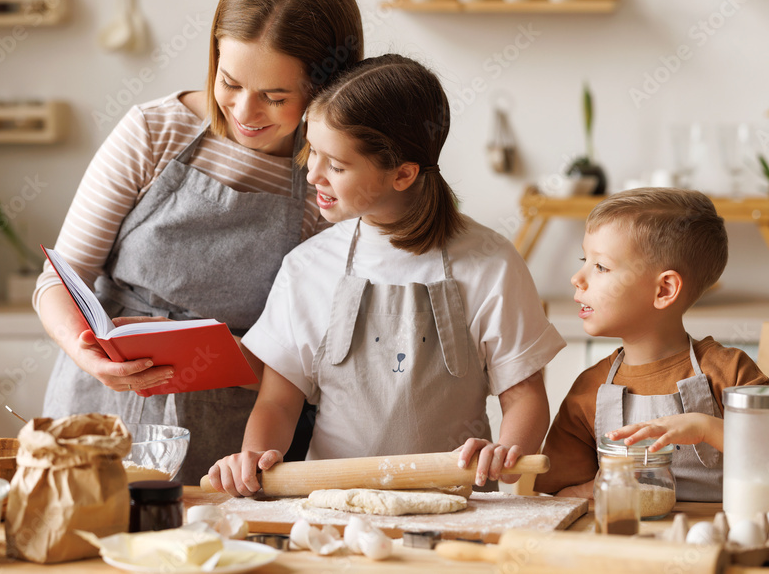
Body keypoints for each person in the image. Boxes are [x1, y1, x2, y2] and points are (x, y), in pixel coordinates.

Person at [34, 0, 364, 483]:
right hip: (102, 410)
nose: (245, 110)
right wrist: (87, 352)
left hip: (238, 443)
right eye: (229, 82)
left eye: (275, 97)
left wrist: (222, 357)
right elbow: (58, 279)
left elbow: (316, 360)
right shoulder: (154, 132)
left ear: (328, 89)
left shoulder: (326, 181)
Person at [206, 54, 566, 497]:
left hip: (457, 510)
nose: (312, 172)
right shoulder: (307, 266)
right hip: (331, 510)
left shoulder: (491, 262)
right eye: (312, 151)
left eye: (336, 165)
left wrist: (507, 454)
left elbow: (524, 397)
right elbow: (279, 402)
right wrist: (255, 461)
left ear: (403, 174)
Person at [533, 188, 769, 501]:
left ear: (664, 289)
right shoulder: (589, 389)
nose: (577, 277)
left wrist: (707, 428)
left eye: (601, 266)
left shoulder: (730, 372)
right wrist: (606, 488)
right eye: (583, 260)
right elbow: (556, 500)